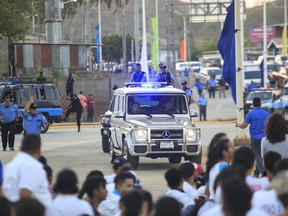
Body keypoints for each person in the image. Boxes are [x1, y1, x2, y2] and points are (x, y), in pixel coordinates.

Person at [2, 135, 52, 207]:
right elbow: (24, 194)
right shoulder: (32, 166)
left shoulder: (9, 166)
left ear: (21, 148)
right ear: (38, 150)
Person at [236, 97, 270, 177]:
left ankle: (263, 172)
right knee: (263, 156)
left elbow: (244, 126)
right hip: (265, 138)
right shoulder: (267, 114)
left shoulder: (251, 114)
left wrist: (238, 125)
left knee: (257, 155)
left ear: (253, 104)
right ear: (260, 103)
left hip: (255, 138)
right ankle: (257, 172)